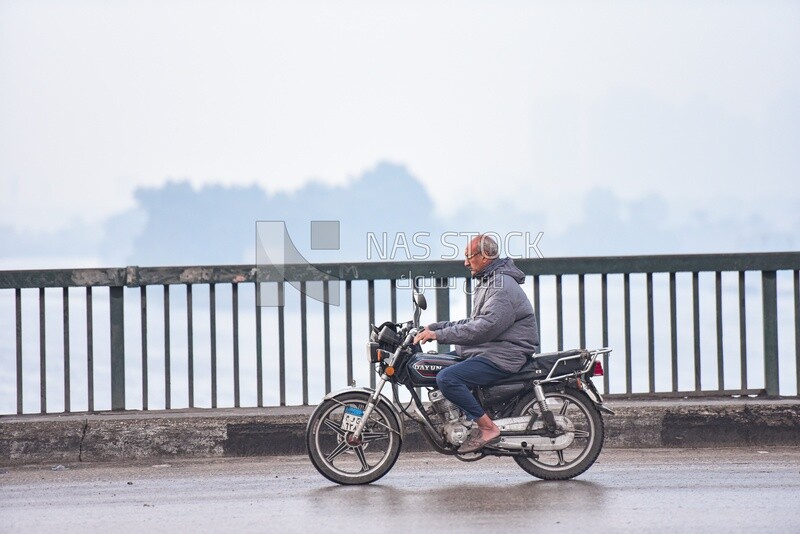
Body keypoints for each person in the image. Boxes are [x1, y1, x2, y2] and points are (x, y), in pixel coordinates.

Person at [413, 234, 540, 453]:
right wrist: (435, 327)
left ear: (484, 257)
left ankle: (487, 427)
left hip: (504, 354)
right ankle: (463, 418)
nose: (465, 262)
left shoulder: (502, 286)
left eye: (468, 256)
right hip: (491, 348)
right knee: (439, 363)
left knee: (448, 377)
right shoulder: (491, 280)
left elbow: (484, 328)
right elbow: (474, 322)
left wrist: (440, 335)